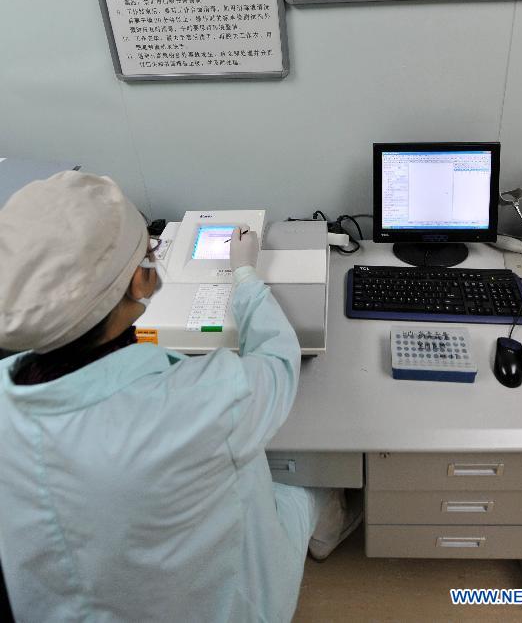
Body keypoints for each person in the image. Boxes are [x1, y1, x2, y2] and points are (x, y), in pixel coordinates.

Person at [0, 171, 361, 622]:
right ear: (139, 282)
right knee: (312, 483)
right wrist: (246, 274)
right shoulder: (202, 401)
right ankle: (325, 535)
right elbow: (278, 361)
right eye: (150, 253)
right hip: (219, 606)